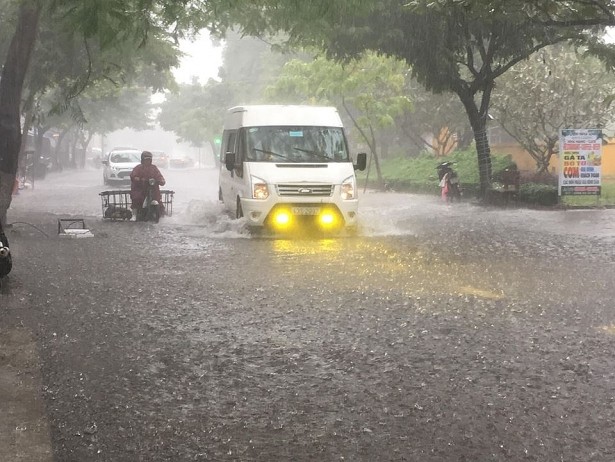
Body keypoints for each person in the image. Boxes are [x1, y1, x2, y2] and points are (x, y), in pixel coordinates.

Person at [130, 151, 166, 220]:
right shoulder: (138, 168)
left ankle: (162, 214)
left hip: (152, 188)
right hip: (140, 188)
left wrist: (161, 180)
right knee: (136, 197)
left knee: (158, 199)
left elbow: (159, 176)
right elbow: (133, 176)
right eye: (146, 159)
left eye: (149, 159)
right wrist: (138, 179)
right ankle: (134, 214)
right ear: (142, 160)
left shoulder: (154, 168)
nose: (148, 161)